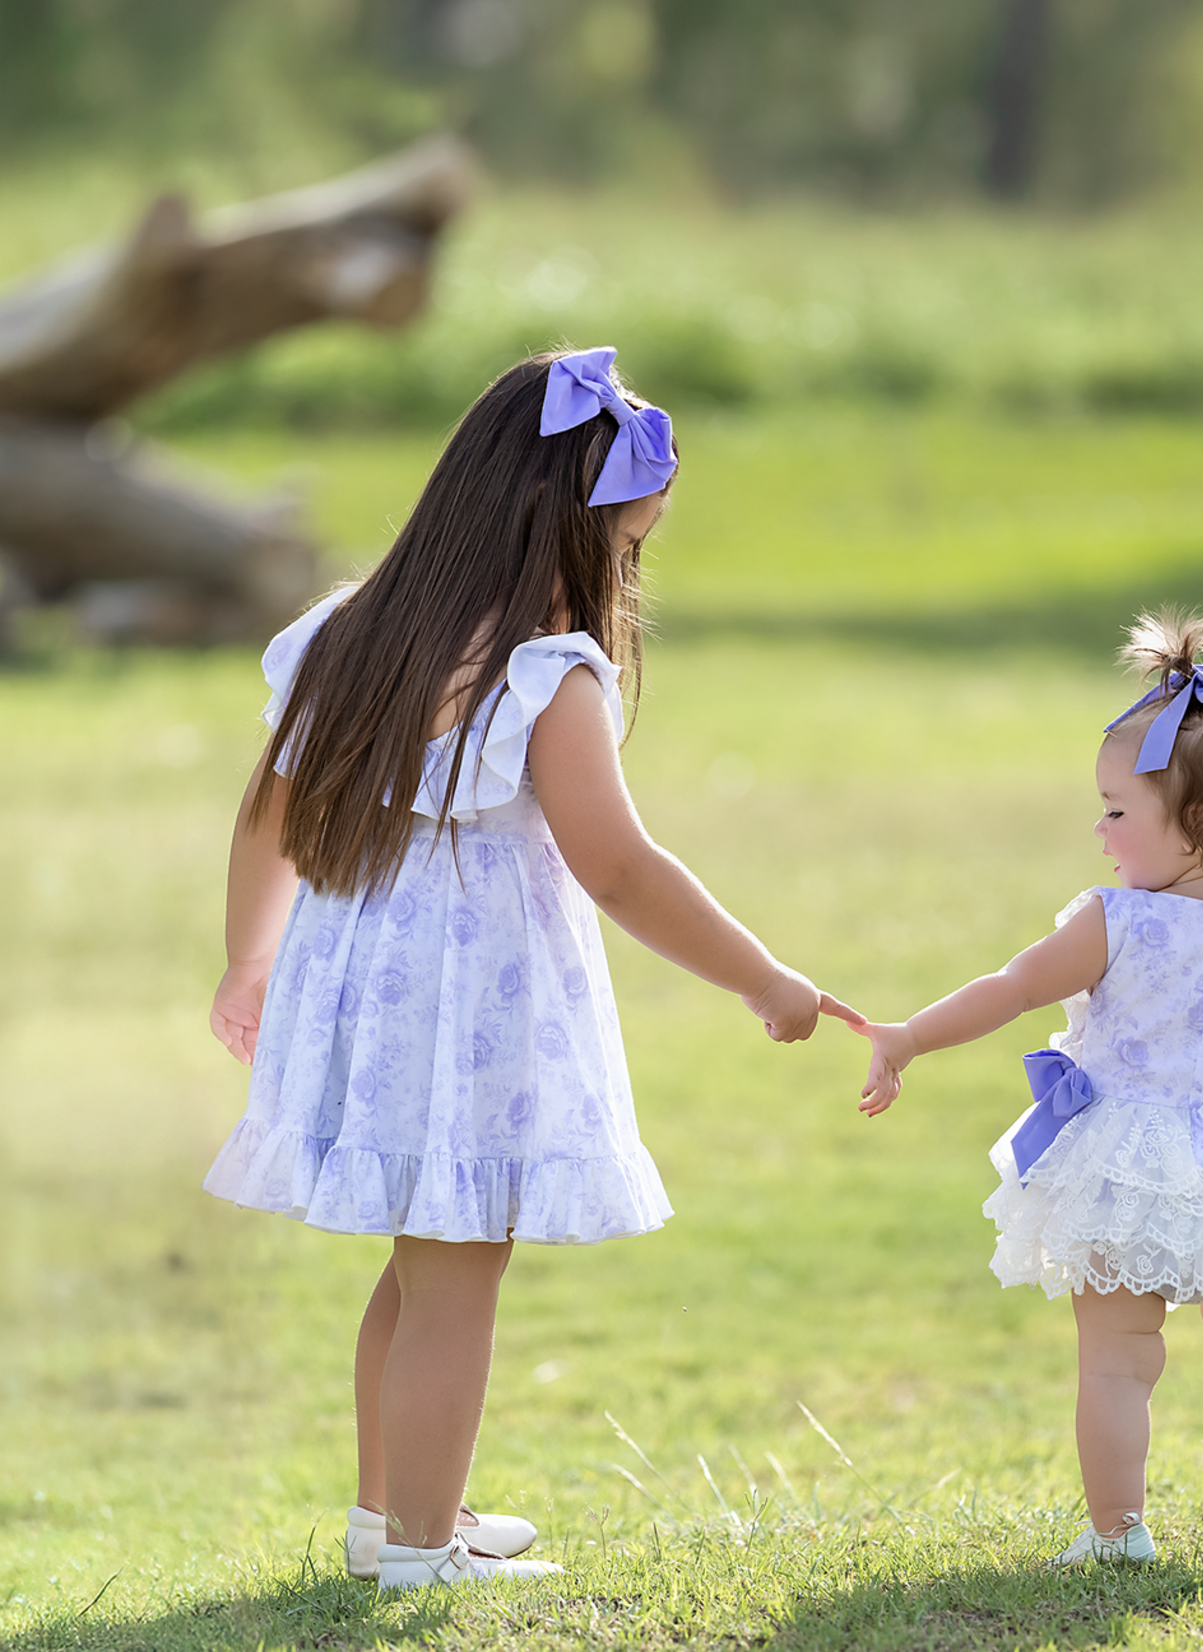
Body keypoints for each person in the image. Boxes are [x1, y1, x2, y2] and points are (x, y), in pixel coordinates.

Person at [204, 348, 858, 1591]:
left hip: (367, 998)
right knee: (458, 1273)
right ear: (560, 526)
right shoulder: (546, 678)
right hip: (468, 1010)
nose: (624, 573)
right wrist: (763, 976)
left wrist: (249, 960)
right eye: (623, 547)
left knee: (422, 1256)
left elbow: (265, 809)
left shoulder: (344, 635)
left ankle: (388, 1511)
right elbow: (618, 866)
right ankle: (416, 1550)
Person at [852, 610, 1203, 1564]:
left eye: (1115, 810)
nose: (1099, 831)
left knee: (1116, 1358)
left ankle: (1117, 1533)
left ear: (1201, 825)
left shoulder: (1118, 923)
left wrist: (908, 1036)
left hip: (1127, 1167)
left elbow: (1010, 989)